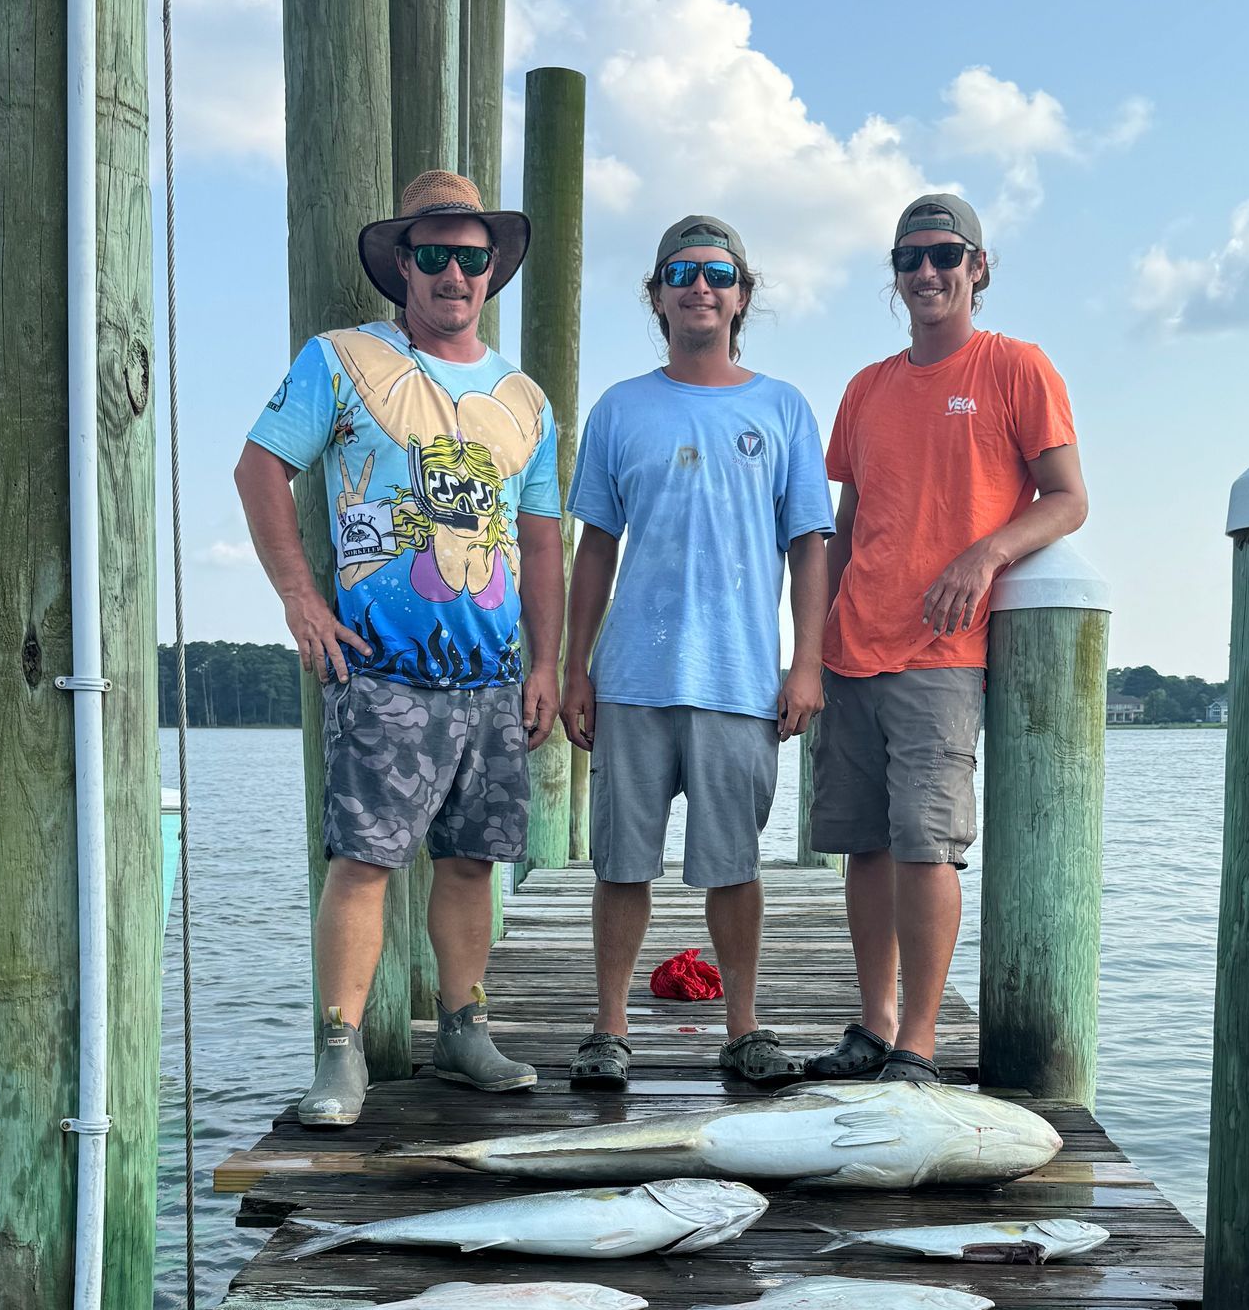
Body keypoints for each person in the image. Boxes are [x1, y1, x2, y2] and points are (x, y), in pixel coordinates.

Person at [234, 170, 565, 1126]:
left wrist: (544, 663)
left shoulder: (524, 399)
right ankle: (340, 1051)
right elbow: (261, 467)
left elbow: (540, 536)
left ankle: (464, 1029)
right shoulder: (339, 361)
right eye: (434, 255)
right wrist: (300, 597)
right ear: (403, 267)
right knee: (364, 859)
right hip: (379, 667)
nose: (454, 272)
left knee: (473, 862)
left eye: (471, 256)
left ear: (492, 269)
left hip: (493, 675)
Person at [805, 191, 1088, 1082]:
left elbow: (1068, 498)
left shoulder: (1016, 367)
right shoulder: (866, 388)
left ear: (978, 267)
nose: (927, 272)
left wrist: (985, 555)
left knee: (927, 845)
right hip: (852, 647)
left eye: (944, 255)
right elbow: (845, 526)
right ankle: (873, 1025)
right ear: (895, 277)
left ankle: (919, 1046)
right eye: (909, 259)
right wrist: (809, 646)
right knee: (862, 844)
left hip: (942, 654)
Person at [561, 213, 833, 1090]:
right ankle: (608, 1031)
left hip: (740, 681)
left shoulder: (783, 407)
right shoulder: (618, 408)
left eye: (717, 273)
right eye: (681, 273)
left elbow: (810, 546)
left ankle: (744, 1028)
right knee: (621, 865)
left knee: (734, 869)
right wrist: (576, 666)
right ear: (657, 296)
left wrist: (806, 663)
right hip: (633, 678)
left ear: (741, 296)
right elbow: (594, 547)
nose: (699, 286)